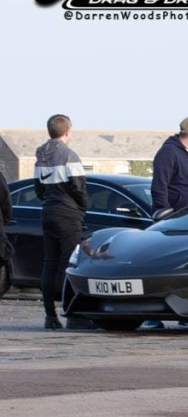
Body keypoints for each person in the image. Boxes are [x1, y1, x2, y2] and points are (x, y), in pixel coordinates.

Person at [141, 115, 188, 331]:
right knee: (164, 267)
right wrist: (163, 213)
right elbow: (159, 185)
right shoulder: (168, 153)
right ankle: (152, 315)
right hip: (173, 223)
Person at [34, 114, 94, 330]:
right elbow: (78, 187)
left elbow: (38, 188)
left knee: (50, 263)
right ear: (68, 131)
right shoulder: (69, 155)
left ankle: (50, 316)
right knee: (69, 264)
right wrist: (83, 206)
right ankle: (74, 315)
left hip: (48, 211)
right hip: (68, 214)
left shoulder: (41, 155)